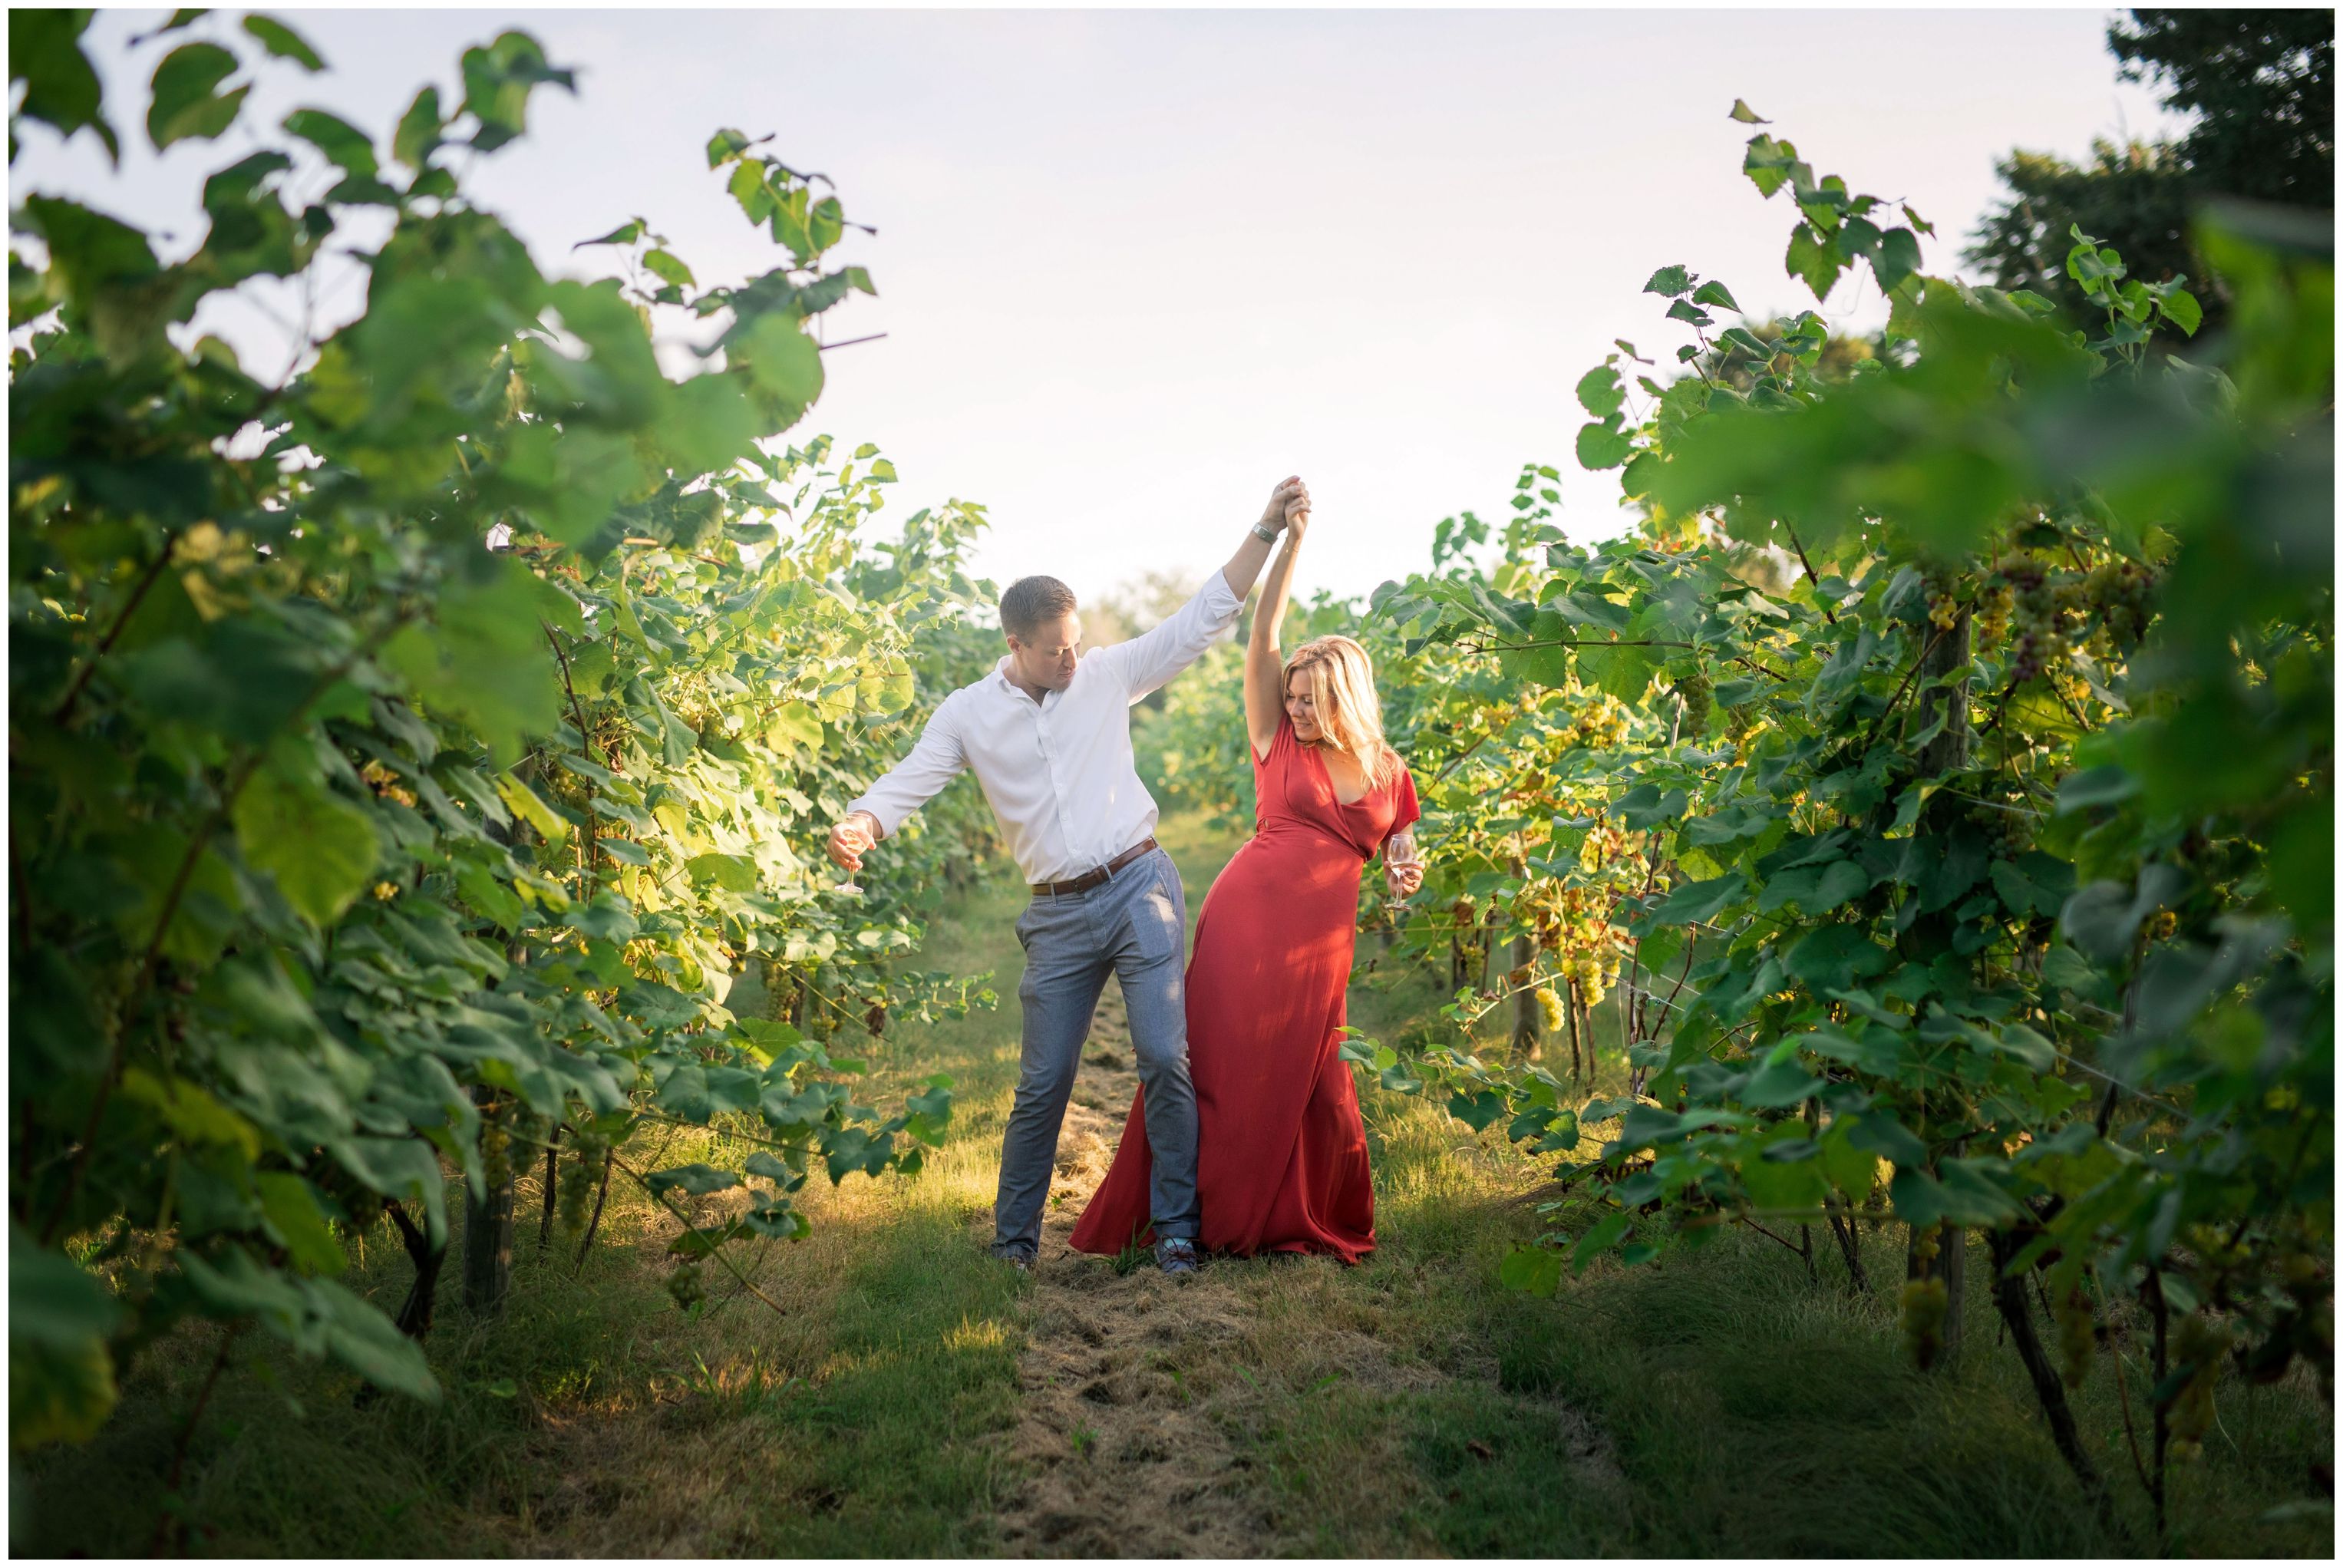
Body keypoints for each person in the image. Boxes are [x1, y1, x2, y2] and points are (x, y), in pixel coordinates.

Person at [827, 477, 1313, 1276]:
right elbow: (912, 777)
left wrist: (1262, 531)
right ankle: (1014, 1241)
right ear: (1014, 645)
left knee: (1163, 1056)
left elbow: (1201, 618)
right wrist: (863, 821)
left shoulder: (1105, 675)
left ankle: (1178, 1229)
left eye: (1075, 641)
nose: (1071, 656)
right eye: (1054, 648)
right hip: (1055, 917)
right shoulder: (966, 714)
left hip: (1138, 886)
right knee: (1043, 1082)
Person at [1070, 496, 1425, 1266]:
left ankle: (1287, 1214)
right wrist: (1289, 542)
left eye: (1309, 700)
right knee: (1220, 1065)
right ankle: (1189, 1218)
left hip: (1319, 943)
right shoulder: (1275, 740)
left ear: (1343, 700)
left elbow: (1401, 834)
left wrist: (1405, 860)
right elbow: (1262, 637)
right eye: (1291, 697)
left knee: (1313, 1076)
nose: (1294, 708)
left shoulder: (1387, 769)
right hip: (1246, 919)